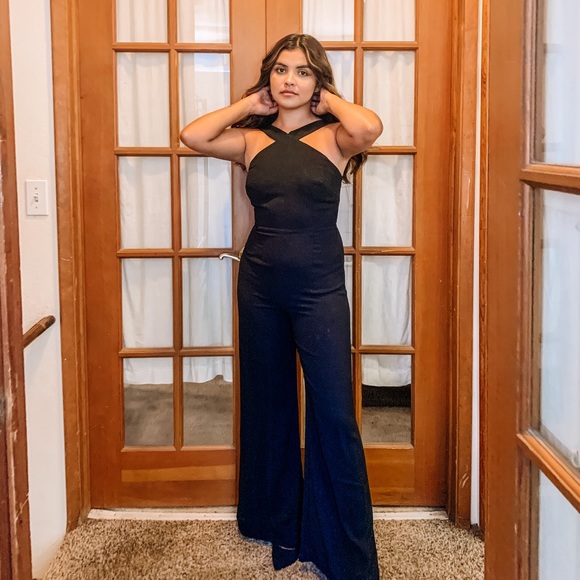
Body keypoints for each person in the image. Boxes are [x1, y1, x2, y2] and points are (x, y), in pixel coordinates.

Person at [181, 33, 382, 580]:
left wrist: (327, 100)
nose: (289, 79)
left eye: (302, 71)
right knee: (268, 402)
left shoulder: (336, 136)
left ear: (318, 80)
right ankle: (276, 521)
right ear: (268, 77)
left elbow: (369, 127)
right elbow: (193, 135)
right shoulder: (252, 140)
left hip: (319, 290)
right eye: (281, 70)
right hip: (260, 287)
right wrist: (250, 104)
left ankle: (343, 551)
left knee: (334, 411)